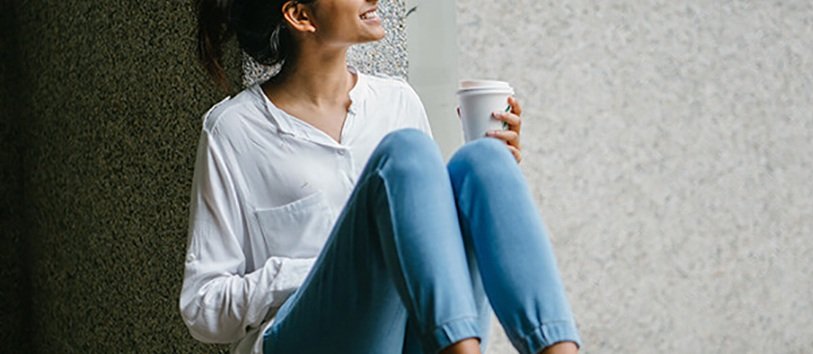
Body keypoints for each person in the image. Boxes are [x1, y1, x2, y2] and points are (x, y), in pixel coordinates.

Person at [179, 0, 582, 353]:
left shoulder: (397, 101)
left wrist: (490, 185)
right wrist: (316, 268)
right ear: (301, 15)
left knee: (484, 162)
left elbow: (428, 245)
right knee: (404, 153)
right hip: (305, 338)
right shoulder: (235, 129)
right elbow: (202, 308)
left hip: (410, 335)